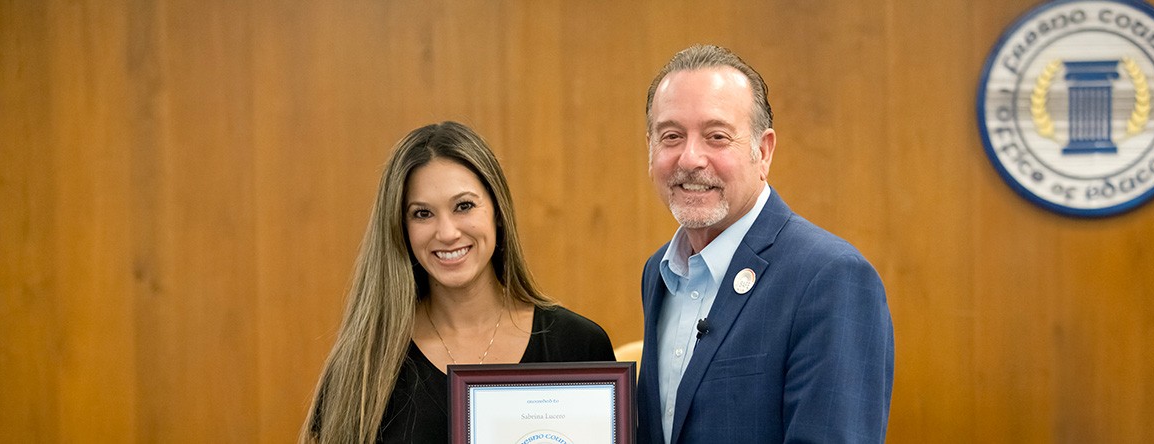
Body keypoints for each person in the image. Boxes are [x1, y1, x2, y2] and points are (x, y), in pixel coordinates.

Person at [637, 44, 894, 443]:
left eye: (716, 136)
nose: (690, 159)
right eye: (671, 136)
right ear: (650, 150)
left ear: (763, 150)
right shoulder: (660, 272)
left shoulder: (831, 277)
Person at [302, 121, 615, 443]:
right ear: (400, 227)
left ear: (497, 210)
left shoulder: (578, 344)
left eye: (463, 206)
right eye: (422, 214)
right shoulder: (365, 360)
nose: (448, 233)